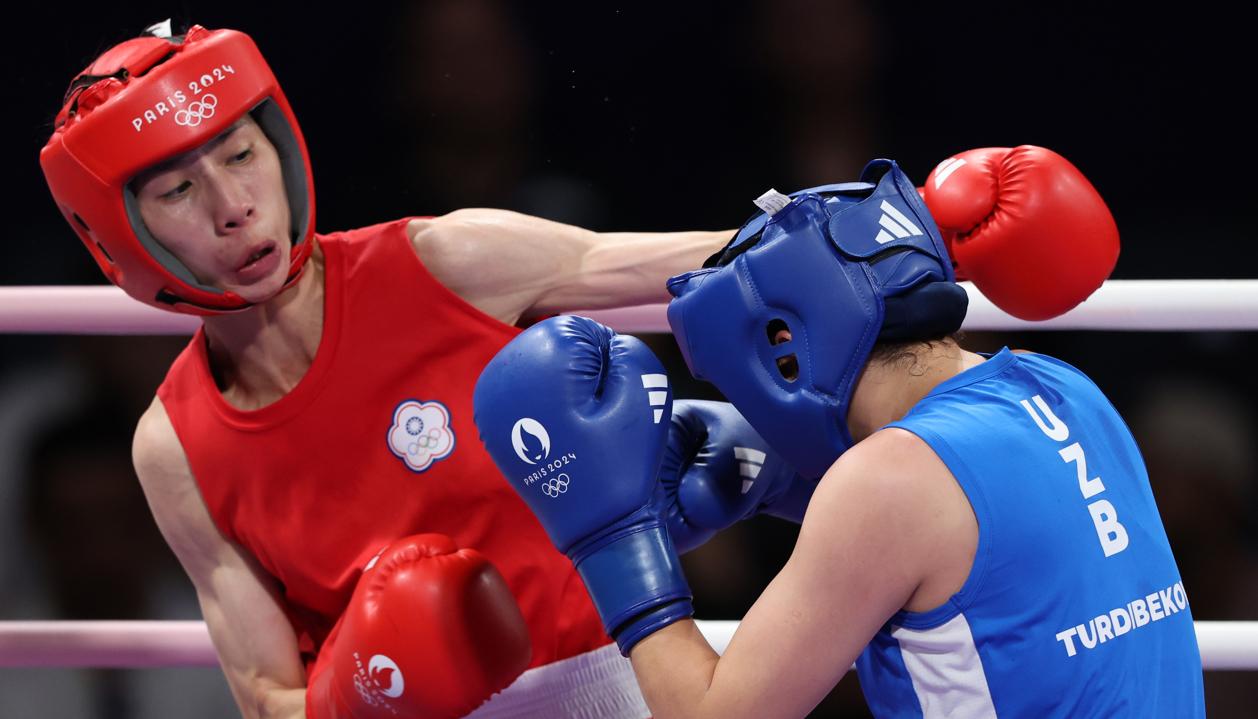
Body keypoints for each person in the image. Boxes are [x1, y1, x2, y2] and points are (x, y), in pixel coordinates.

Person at [39, 20, 748, 719]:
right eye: (178, 192)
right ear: (124, 235)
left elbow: (716, 258)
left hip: (620, 686)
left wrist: (850, 225)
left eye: (239, 155)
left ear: (280, 147)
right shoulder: (174, 448)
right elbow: (264, 699)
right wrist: (363, 695)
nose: (234, 207)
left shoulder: (443, 262)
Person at [474, 158, 1205, 717]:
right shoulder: (1063, 387)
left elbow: (711, 711)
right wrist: (783, 481)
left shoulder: (890, 480)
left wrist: (615, 536)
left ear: (782, 346)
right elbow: (975, 545)